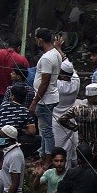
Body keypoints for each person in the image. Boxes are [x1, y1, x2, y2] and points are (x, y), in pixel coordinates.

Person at [58, 84, 97, 172]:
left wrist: (75, 128)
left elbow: (62, 119)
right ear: (94, 98)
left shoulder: (77, 109)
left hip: (83, 149)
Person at [27, 27, 63, 157]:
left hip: (45, 99)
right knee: (43, 129)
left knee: (47, 131)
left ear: (40, 40)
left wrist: (35, 101)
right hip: (50, 97)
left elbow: (45, 82)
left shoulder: (47, 58)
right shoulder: (56, 53)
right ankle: (43, 155)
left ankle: (48, 159)